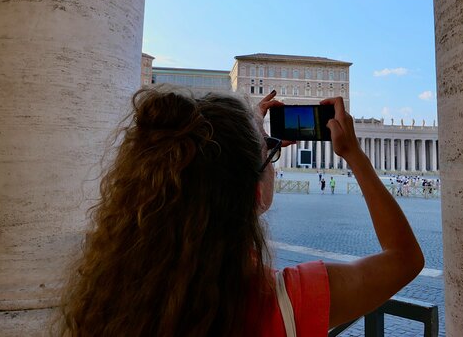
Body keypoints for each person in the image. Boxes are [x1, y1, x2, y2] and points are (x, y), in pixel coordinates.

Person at [58, 86, 424, 336]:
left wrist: (246, 138)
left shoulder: (114, 299)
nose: (274, 164)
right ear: (252, 194)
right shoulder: (285, 304)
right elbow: (405, 258)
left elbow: (209, 195)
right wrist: (354, 156)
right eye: (269, 156)